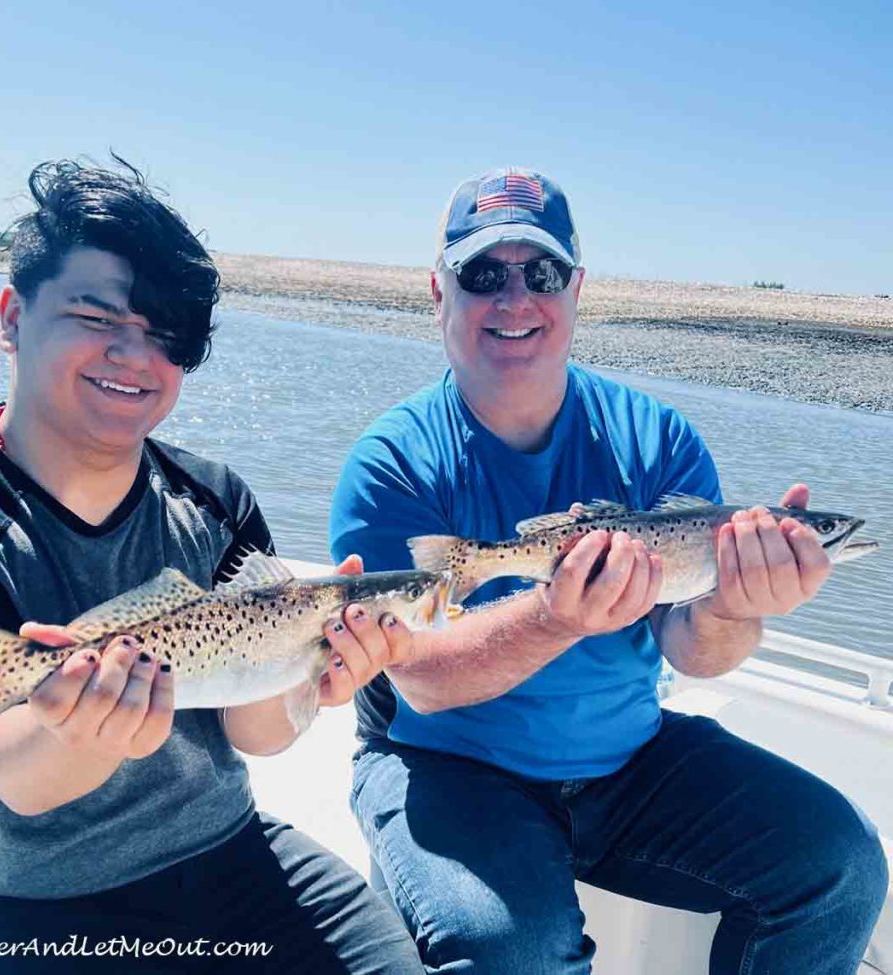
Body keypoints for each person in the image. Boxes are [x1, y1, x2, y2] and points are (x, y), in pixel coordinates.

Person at [0, 158, 425, 974]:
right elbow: (9, 771)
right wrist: (84, 726)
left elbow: (256, 732)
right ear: (13, 317)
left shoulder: (217, 497)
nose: (134, 355)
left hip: (228, 853)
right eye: (96, 315)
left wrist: (317, 672)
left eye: (166, 334)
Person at [329, 167, 888, 974]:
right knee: (508, 946)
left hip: (631, 760)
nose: (515, 299)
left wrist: (736, 604)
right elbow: (422, 682)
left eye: (542, 273)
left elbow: (697, 651)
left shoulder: (658, 439)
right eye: (484, 274)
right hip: (449, 765)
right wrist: (557, 614)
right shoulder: (392, 461)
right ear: (438, 292)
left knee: (842, 864)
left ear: (577, 289)